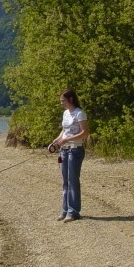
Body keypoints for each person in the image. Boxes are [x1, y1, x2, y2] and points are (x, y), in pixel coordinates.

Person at [51, 88, 89, 223]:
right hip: (64, 150)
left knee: (73, 181)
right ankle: (65, 210)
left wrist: (67, 139)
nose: (61, 103)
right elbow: (64, 131)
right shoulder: (65, 113)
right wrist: (57, 140)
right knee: (65, 182)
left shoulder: (80, 114)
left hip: (75, 150)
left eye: (63, 100)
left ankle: (73, 212)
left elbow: (85, 132)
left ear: (70, 99)